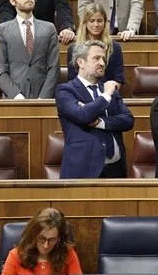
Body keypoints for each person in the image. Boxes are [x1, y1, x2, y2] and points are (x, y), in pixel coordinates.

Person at [56, 40, 134, 178]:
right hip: (83, 171)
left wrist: (99, 122)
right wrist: (106, 96)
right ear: (81, 62)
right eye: (96, 58)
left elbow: (128, 120)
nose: (102, 63)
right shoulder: (66, 91)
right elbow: (83, 116)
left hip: (116, 170)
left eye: (103, 59)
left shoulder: (110, 89)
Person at [0, 0, 60, 99]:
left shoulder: (49, 28)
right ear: (13, 1)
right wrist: (17, 96)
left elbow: (54, 67)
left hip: (43, 96)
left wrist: (43, 98)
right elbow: (0, 69)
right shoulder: (1, 30)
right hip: (13, 98)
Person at [1, 208, 82, 275]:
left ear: (59, 239)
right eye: (41, 238)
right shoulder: (15, 256)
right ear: (33, 234)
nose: (46, 245)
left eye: (52, 240)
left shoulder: (68, 254)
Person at [66, 3, 124, 86]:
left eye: (99, 21)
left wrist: (107, 92)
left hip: (107, 92)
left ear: (105, 22)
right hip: (81, 95)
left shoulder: (114, 47)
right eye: (92, 21)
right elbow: (72, 79)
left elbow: (118, 79)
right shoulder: (74, 48)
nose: (96, 25)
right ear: (85, 23)